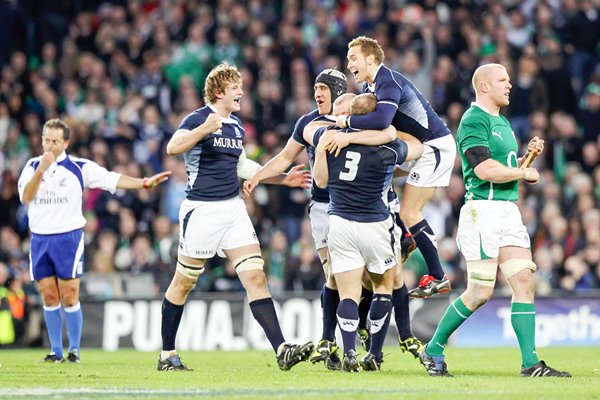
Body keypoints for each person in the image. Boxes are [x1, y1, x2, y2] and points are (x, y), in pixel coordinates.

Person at [418, 63, 571, 378]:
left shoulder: (502, 122)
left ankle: (530, 363)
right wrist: (525, 171)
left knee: (524, 280)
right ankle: (433, 347)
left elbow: (507, 172)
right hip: (482, 212)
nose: (509, 85)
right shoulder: (473, 120)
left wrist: (527, 158)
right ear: (484, 86)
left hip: (507, 211)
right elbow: (484, 171)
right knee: (480, 293)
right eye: (503, 80)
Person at [159, 63, 313, 372]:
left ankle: (281, 349)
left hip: (233, 210)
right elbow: (172, 147)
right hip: (201, 210)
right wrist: (203, 129)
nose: (241, 92)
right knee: (182, 284)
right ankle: (167, 355)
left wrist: (282, 179)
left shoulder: (237, 126)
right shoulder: (199, 118)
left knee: (256, 277)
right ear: (219, 92)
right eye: (235, 88)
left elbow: (243, 167)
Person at [17, 118, 171, 363]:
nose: (49, 145)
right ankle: (56, 352)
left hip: (68, 237)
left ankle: (74, 350)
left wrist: (143, 183)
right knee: (48, 295)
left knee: (69, 294)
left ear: (66, 142)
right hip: (39, 238)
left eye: (55, 141)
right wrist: (41, 171)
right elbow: (26, 197)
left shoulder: (80, 167)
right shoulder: (32, 166)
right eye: (46, 140)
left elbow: (113, 179)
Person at [338, 36, 457, 298]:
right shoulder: (373, 86)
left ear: (371, 59)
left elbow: (382, 120)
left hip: (433, 146)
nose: (349, 65)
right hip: (422, 147)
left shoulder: (387, 81)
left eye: (353, 59)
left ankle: (438, 275)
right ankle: (406, 237)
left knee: (411, 211)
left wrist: (344, 123)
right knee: (386, 183)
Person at [312, 93, 411, 371]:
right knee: (382, 289)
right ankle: (373, 355)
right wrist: (389, 130)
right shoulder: (389, 148)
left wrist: (321, 150)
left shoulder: (332, 142)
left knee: (348, 294)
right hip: (375, 224)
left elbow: (320, 182)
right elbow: (415, 151)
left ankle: (349, 353)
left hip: (340, 223)